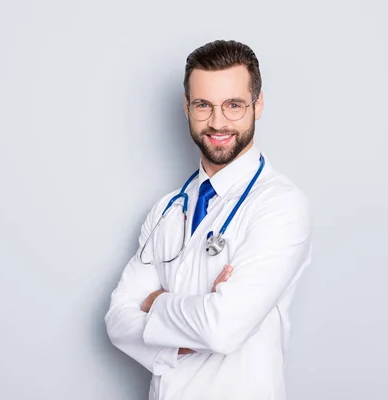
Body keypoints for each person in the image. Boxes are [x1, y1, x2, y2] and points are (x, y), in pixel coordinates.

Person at [104, 39, 312, 400]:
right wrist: (177, 339)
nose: (218, 122)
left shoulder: (280, 205)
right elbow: (117, 320)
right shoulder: (168, 209)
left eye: (233, 105)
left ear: (258, 104)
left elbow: (221, 329)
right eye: (203, 105)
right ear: (187, 108)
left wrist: (155, 301)